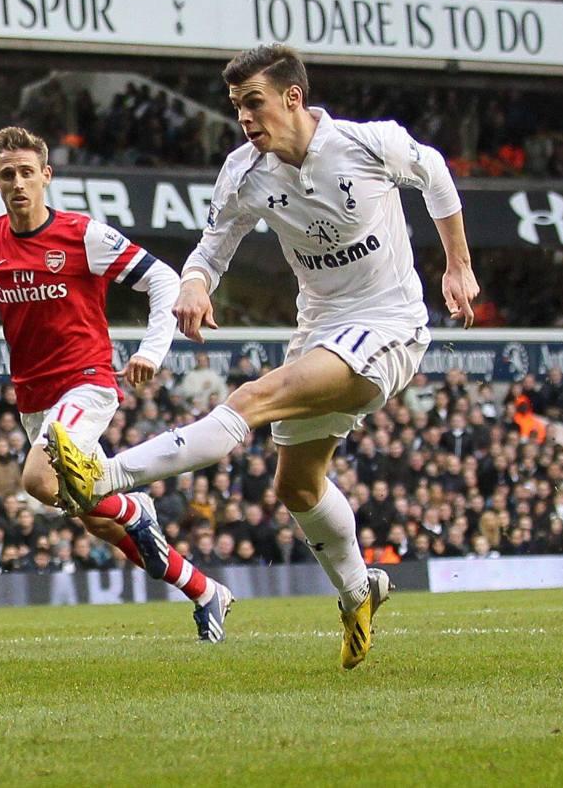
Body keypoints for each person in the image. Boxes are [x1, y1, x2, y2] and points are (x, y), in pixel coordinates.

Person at [48, 44, 479, 669]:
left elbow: (434, 172)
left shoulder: (367, 144)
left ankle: (106, 476)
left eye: (254, 102)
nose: (245, 118)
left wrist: (458, 266)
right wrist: (196, 283)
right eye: (237, 106)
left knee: (250, 400)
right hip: (319, 330)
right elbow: (213, 247)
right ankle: (360, 590)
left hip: (388, 325)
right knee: (296, 484)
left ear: (292, 98)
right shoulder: (245, 172)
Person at [0, 125, 233, 642]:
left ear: (46, 176)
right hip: (33, 398)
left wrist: (150, 352)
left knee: (37, 481)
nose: (18, 183)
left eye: (27, 173)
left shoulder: (84, 235)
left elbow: (164, 280)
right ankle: (204, 590)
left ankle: (134, 506)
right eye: (7, 175)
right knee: (99, 523)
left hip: (86, 384)